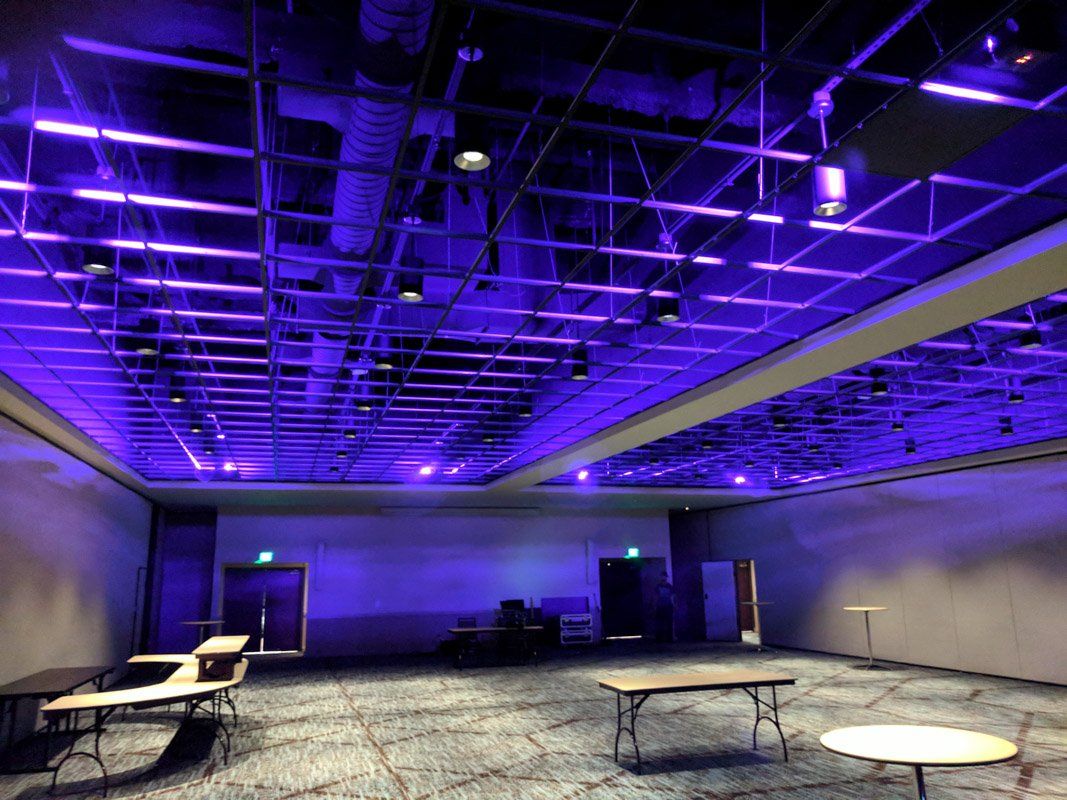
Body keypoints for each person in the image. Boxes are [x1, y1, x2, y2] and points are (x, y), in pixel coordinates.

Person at [654, 572, 675, 643]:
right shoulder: (657, 587)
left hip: (668, 606)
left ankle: (669, 639)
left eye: (664, 576)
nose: (663, 578)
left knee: (669, 623)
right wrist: (655, 606)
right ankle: (659, 639)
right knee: (659, 623)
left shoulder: (670, 586)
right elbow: (655, 597)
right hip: (660, 606)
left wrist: (674, 605)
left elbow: (672, 596)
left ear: (666, 577)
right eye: (662, 576)